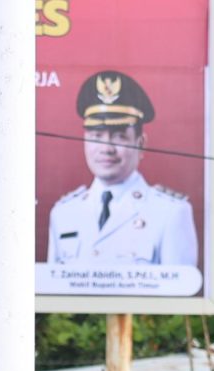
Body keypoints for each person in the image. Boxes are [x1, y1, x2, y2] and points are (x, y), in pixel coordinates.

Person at [42, 70, 198, 280]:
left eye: (119, 137)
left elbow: (180, 298)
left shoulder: (170, 213)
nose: (106, 148)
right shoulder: (64, 213)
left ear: (140, 144)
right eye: (96, 136)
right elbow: (55, 293)